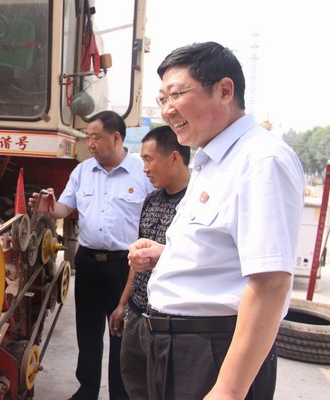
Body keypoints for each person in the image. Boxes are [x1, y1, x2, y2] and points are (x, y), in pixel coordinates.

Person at [129, 42, 305, 400]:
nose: (167, 109)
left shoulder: (260, 160)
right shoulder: (212, 160)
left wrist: (228, 389)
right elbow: (223, 251)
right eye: (162, 99)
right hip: (178, 346)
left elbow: (270, 283)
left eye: (176, 94)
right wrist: (167, 254)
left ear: (224, 90)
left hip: (214, 351)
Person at [29, 110, 154, 400]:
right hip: (87, 262)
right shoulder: (83, 171)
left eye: (96, 137)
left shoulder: (142, 173)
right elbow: (63, 208)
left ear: (116, 137)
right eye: (88, 137)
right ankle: (86, 390)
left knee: (121, 333)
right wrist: (48, 208)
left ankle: (120, 395)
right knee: (87, 331)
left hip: (125, 266)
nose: (91, 143)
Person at [109, 125, 191, 399]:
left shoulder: (196, 205)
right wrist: (123, 305)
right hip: (137, 314)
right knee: (135, 386)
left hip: (171, 321)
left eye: (148, 159)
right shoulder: (151, 200)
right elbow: (139, 261)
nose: (144, 169)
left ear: (174, 158)